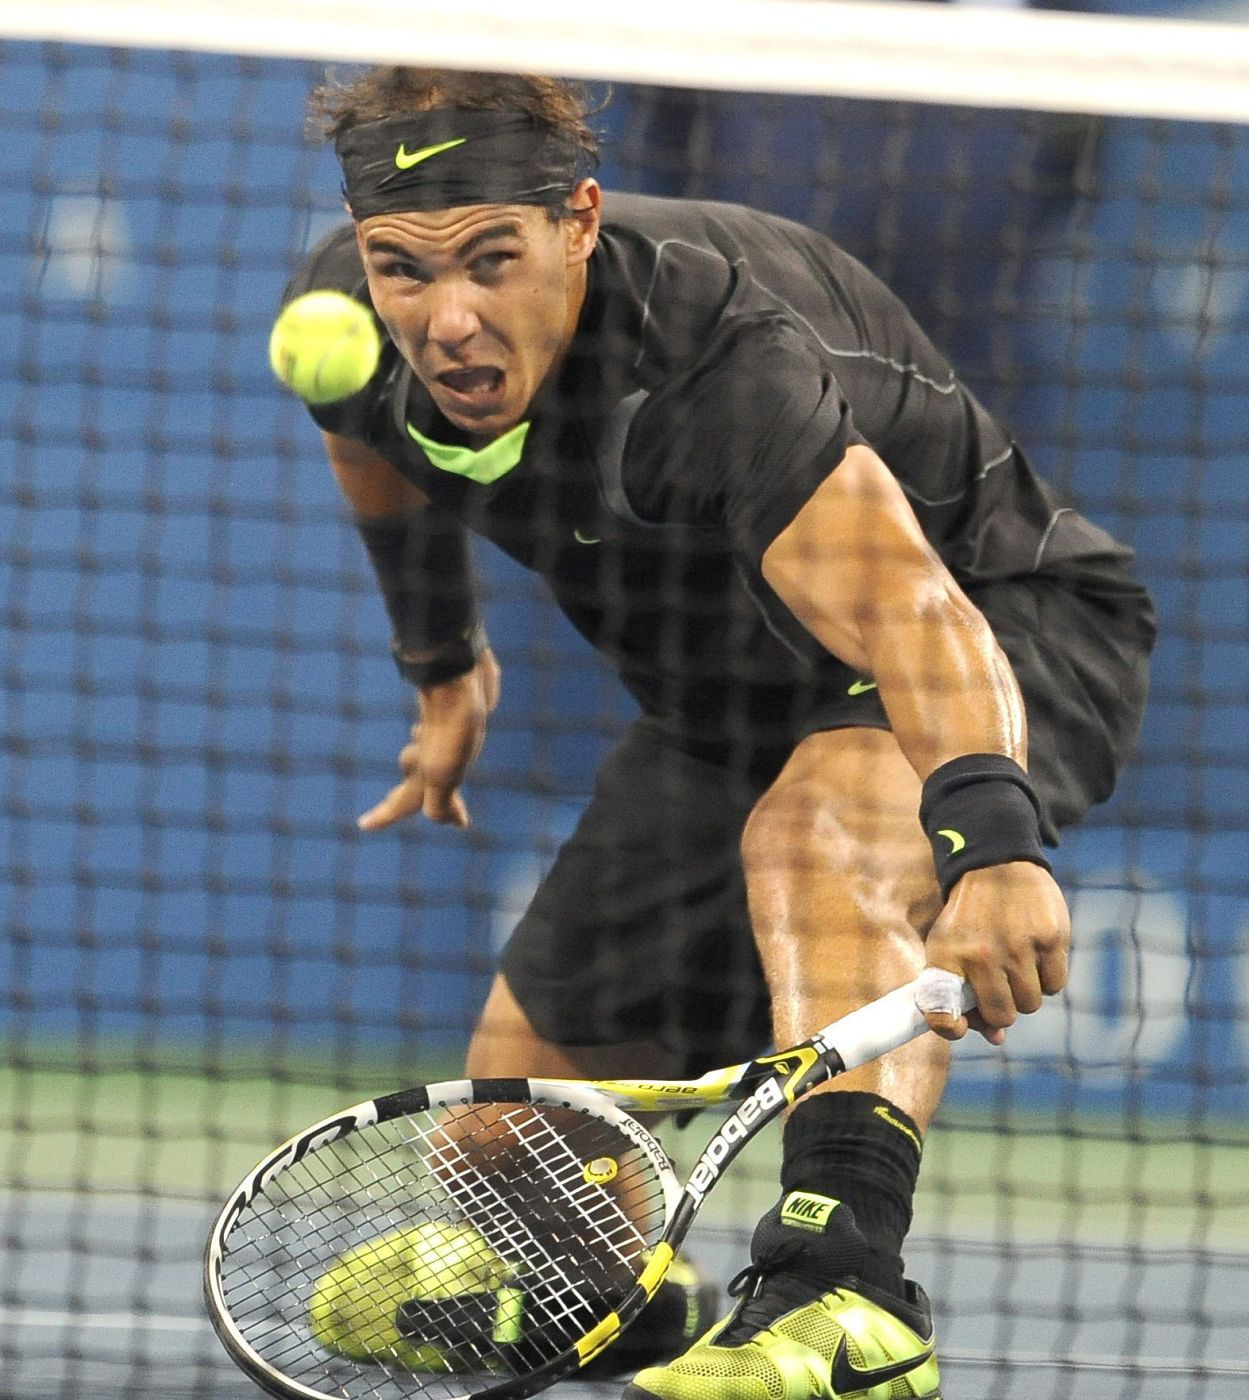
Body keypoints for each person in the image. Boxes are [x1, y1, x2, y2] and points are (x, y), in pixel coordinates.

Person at [283, 67, 1155, 1400]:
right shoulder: (345, 315)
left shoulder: (707, 355)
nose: (445, 318)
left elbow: (911, 614)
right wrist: (442, 665)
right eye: (405, 271)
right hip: (731, 695)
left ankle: (847, 1299)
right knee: (508, 1139)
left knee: (817, 836)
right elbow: (369, 444)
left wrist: (991, 844)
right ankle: (601, 1304)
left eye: (489, 262)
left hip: (998, 622)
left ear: (577, 221)